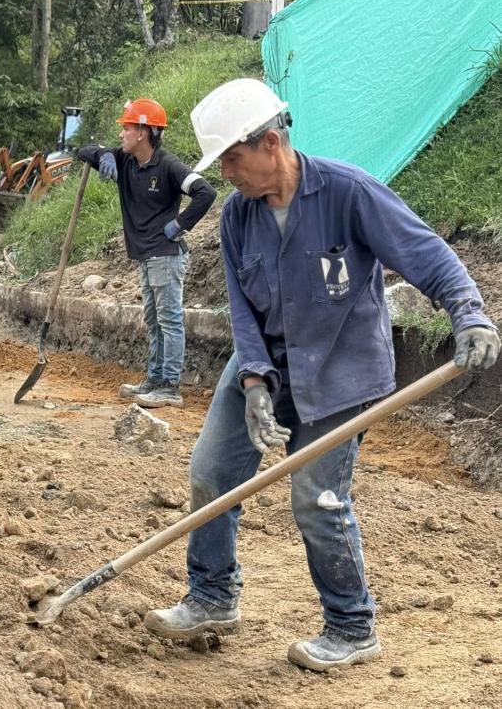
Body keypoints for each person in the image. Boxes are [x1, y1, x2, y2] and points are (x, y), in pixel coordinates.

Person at [143, 78, 499, 671]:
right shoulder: (237, 217)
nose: (227, 172)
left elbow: (427, 253)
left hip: (342, 371)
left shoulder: (348, 192)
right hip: (267, 363)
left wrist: (470, 315)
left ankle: (352, 625)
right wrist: (253, 382)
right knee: (210, 472)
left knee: (317, 497)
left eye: (233, 157)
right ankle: (211, 596)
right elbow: (241, 308)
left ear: (271, 141)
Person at [77, 98, 216, 408]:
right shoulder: (125, 160)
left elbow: (206, 192)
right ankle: (154, 378)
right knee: (154, 320)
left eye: (126, 128)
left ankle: (170, 385)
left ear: (143, 132)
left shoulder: (168, 165)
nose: (122, 134)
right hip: (147, 256)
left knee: (169, 320)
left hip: (166, 254)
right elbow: (83, 151)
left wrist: (180, 225)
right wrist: (102, 155)